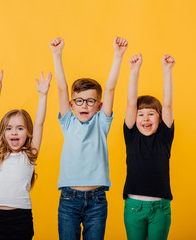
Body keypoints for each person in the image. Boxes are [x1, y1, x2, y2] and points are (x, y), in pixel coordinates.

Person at [49, 37, 128, 240]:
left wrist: (118, 56)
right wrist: (57, 55)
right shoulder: (68, 122)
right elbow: (61, 88)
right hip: (68, 198)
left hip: (97, 200)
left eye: (90, 101)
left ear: (99, 105)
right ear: (71, 104)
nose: (84, 105)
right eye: (79, 101)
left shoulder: (101, 123)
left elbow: (110, 89)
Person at [0, 68, 52, 240]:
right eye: (9, 128)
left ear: (28, 133)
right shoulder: (0, 154)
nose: (14, 132)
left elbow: (39, 123)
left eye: (20, 128)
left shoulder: (29, 156)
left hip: (21, 218)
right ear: (3, 133)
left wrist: (43, 95)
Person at [123, 53, 175, 240]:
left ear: (160, 118)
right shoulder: (131, 135)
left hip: (160, 208)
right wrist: (134, 71)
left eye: (151, 114)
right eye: (141, 114)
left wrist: (167, 71)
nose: (145, 118)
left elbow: (167, 105)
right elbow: (131, 103)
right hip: (134, 207)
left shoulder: (164, 137)